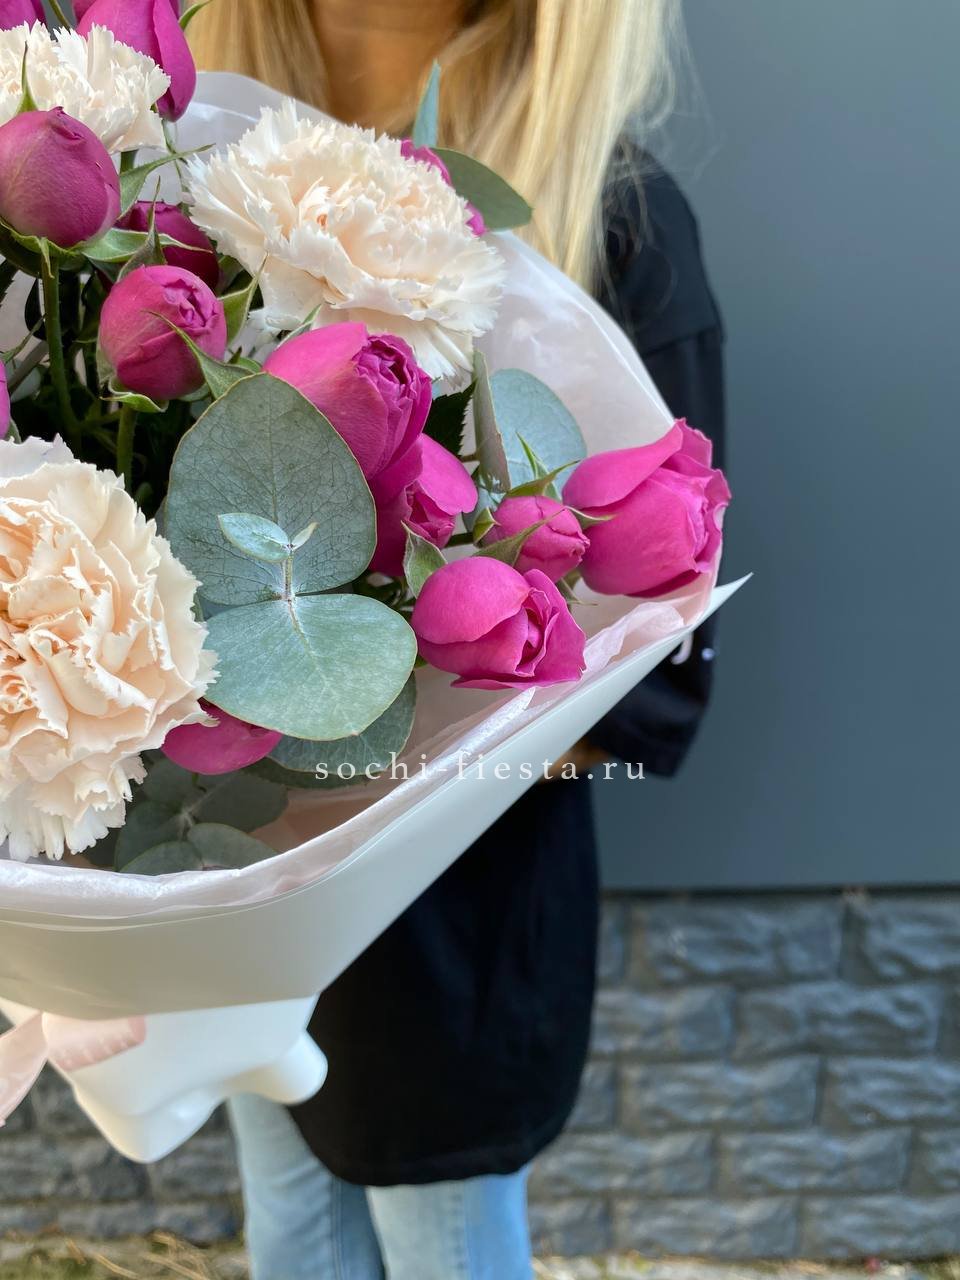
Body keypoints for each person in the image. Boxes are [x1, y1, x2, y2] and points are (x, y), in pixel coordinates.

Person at [191, 2, 725, 1276]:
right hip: (232, 905)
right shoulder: (184, 178)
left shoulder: (612, 223)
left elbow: (653, 688)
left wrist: (363, 733)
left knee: (440, 1237)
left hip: (449, 944)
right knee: (293, 1234)